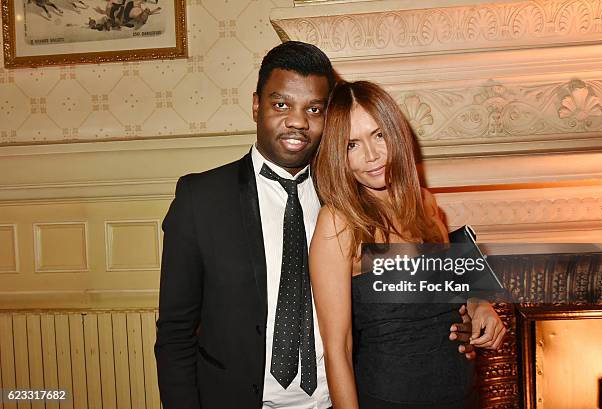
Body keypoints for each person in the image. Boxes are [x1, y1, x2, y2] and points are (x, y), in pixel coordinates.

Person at [155, 42, 476, 409]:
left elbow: (421, 251)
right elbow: (175, 335)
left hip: (337, 398)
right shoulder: (202, 199)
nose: (297, 121)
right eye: (281, 105)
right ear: (256, 104)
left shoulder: (350, 193)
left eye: (314, 109)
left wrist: (477, 300)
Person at [310, 81, 507, 409]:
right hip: (391, 398)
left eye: (378, 135)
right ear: (337, 155)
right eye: (351, 145)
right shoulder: (338, 222)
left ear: (395, 133)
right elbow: (338, 350)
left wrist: (479, 305)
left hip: (463, 393)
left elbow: (451, 290)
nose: (371, 156)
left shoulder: (427, 205)